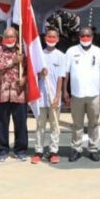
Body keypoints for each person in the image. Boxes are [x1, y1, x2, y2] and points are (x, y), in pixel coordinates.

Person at [65, 27, 100, 162]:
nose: (85, 38)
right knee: (77, 124)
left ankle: (93, 149)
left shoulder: (99, 52)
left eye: (88, 36)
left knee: (94, 123)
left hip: (93, 94)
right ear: (79, 37)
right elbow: (66, 73)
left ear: (92, 37)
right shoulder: (71, 51)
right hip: (77, 94)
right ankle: (76, 149)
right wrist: (65, 90)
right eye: (83, 36)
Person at [0, 27, 28, 161]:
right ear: (3, 38)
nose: (9, 39)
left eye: (12, 36)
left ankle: (20, 150)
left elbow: (29, 70)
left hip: (19, 94)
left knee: (20, 124)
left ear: (17, 37)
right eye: (6, 37)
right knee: (1, 124)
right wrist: (12, 62)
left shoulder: (23, 51)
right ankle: (2, 150)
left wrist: (25, 79)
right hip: (2, 93)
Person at [34, 27, 67, 164]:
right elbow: (34, 75)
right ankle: (39, 151)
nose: (51, 39)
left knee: (54, 126)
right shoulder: (39, 55)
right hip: (41, 97)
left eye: (54, 37)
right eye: (49, 36)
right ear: (44, 38)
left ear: (58, 39)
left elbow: (61, 78)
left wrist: (57, 96)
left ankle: (53, 151)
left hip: (54, 97)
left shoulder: (61, 56)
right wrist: (41, 74)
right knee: (40, 125)